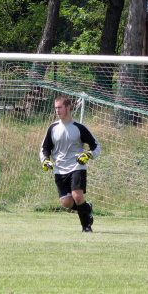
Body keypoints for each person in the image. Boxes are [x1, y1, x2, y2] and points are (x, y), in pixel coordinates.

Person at [40, 96, 101, 232]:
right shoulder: (53, 128)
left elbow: (95, 146)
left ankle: (86, 227)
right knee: (67, 203)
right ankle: (86, 208)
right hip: (59, 169)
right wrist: (45, 160)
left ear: (68, 107)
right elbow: (44, 148)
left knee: (77, 196)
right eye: (56, 108)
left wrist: (88, 155)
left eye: (60, 107)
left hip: (76, 166)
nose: (57, 110)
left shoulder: (78, 127)